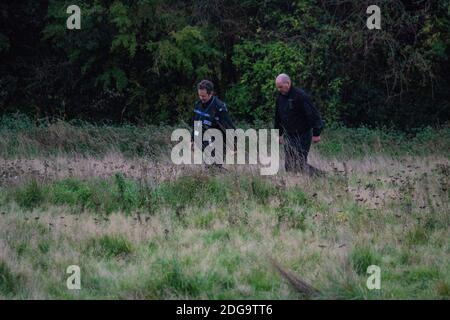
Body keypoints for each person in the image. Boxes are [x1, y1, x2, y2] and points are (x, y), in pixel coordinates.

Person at [274, 73, 325, 174]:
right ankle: (294, 184)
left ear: (288, 83)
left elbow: (313, 114)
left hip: (303, 134)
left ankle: (321, 176)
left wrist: (316, 133)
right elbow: (278, 118)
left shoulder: (300, 96)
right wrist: (278, 134)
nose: (279, 89)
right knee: (289, 166)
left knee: (300, 163)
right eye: (278, 87)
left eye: (280, 87)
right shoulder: (279, 98)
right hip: (289, 135)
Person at [191, 80, 236, 168]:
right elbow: (196, 124)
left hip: (218, 140)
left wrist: (234, 144)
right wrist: (192, 139)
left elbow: (229, 126)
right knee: (211, 167)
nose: (201, 98)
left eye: (203, 96)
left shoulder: (219, 107)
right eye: (199, 95)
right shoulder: (198, 105)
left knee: (213, 166)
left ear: (211, 93)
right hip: (204, 140)